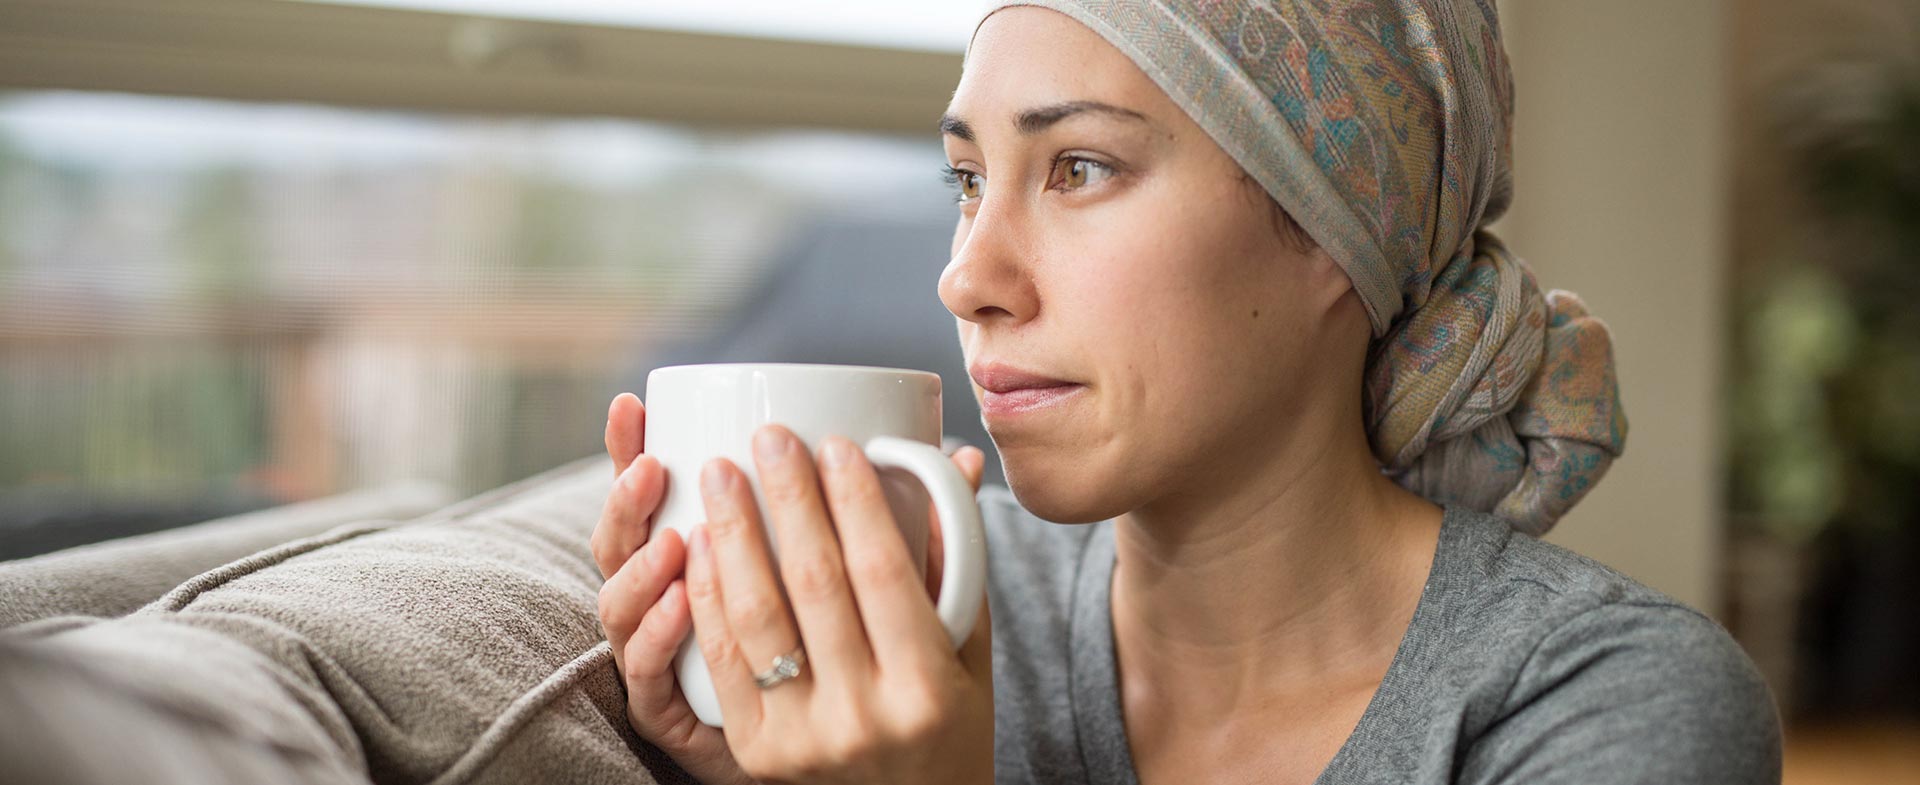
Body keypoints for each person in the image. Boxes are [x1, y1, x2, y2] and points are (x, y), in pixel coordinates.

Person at [589, 2, 1783, 784]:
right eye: (966, 178)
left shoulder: (1607, 706)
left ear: (1330, 229)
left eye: (1079, 167)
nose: (966, 277)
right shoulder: (906, 627)